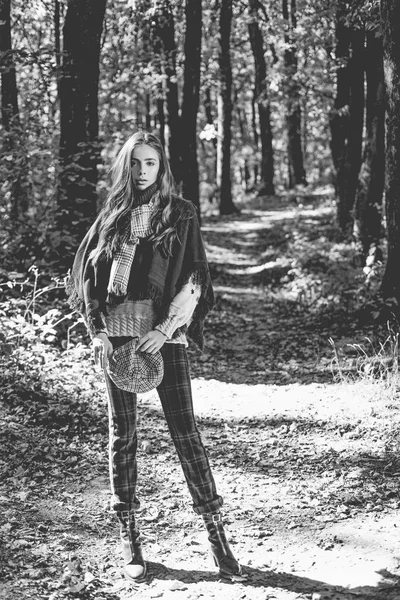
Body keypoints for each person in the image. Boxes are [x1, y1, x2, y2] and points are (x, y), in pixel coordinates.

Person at [66, 131, 244, 583]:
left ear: (162, 168)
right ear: (126, 166)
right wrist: (99, 330)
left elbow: (194, 277)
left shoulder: (180, 215)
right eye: (136, 163)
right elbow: (90, 276)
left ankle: (217, 535)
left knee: (186, 434)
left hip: (165, 337)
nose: (143, 171)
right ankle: (131, 537)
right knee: (122, 436)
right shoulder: (112, 217)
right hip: (118, 341)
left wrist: (165, 330)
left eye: (151, 164)